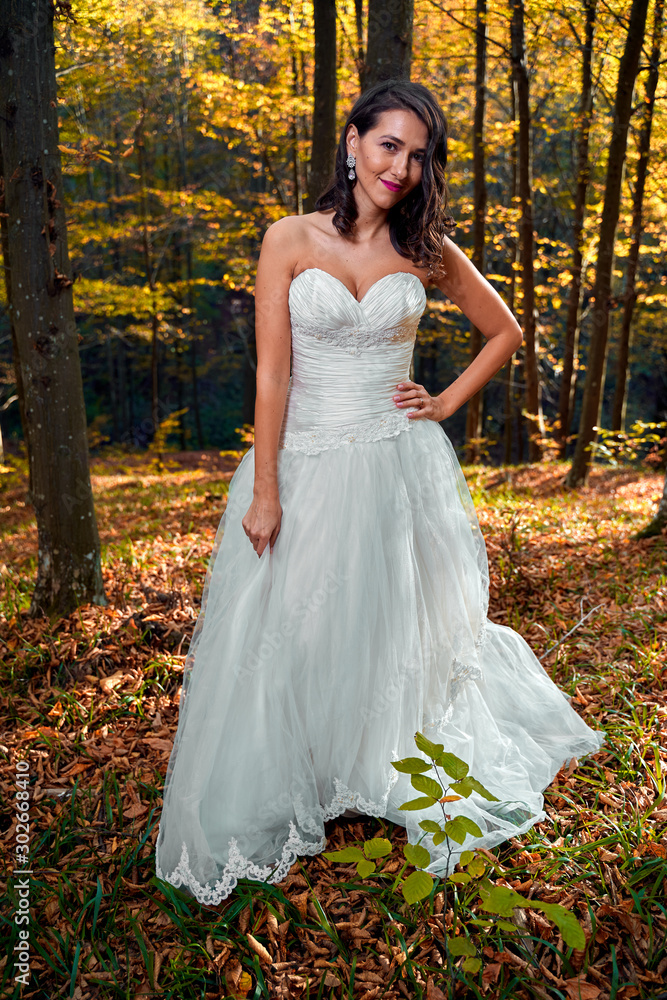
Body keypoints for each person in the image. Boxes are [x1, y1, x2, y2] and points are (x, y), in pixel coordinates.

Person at [155, 80, 604, 906]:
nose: (400, 166)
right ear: (353, 141)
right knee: (294, 624)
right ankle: (308, 772)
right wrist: (264, 489)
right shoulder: (288, 238)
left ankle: (380, 762)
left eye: (417, 154)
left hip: (399, 461)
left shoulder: (426, 247)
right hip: (306, 459)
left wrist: (442, 400)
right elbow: (270, 371)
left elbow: (503, 330)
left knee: (391, 619)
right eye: (388, 144)